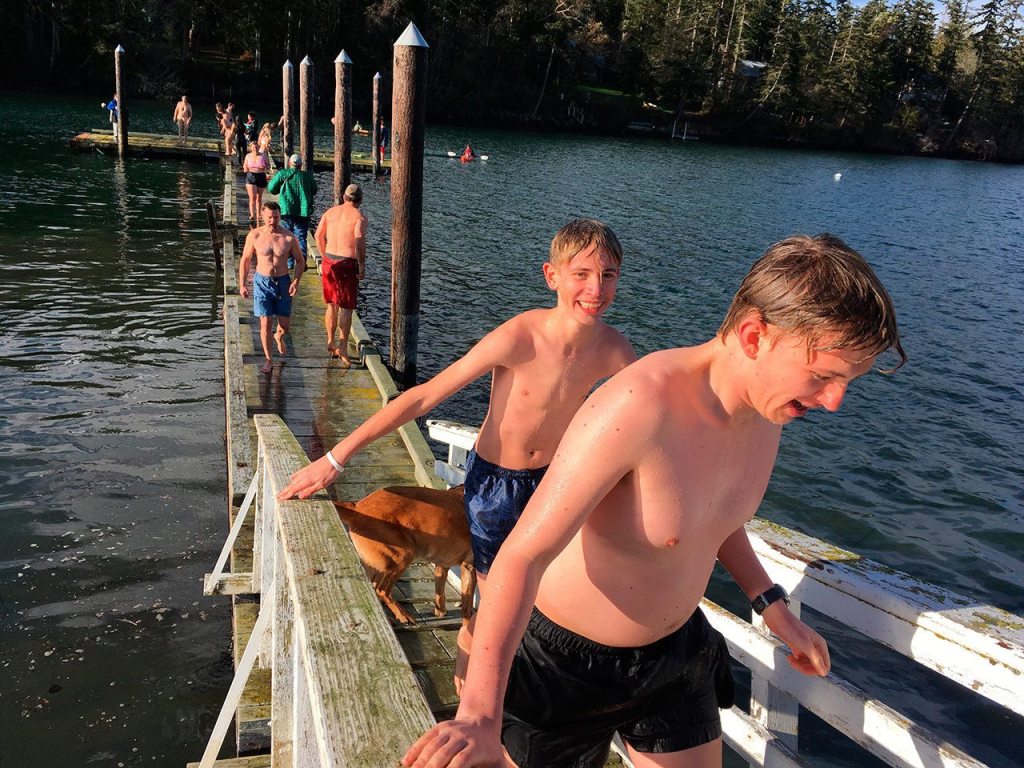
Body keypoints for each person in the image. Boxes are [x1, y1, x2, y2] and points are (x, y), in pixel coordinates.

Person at [402, 233, 906, 768]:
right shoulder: (638, 407)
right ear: (755, 336)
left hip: (673, 658)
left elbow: (711, 516)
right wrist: (480, 713)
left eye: (847, 382)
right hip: (562, 667)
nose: (833, 402)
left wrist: (770, 604)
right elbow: (521, 556)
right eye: (825, 377)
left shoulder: (768, 409)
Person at [278, 219, 637, 689]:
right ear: (552, 276)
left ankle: (513, 698)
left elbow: (644, 425)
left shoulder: (615, 351)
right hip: (496, 487)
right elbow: (423, 397)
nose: (596, 288)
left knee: (545, 602)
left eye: (608, 275)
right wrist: (334, 459)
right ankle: (470, 699)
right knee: (496, 610)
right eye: (582, 274)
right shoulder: (521, 337)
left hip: (555, 483)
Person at [238, 201, 305, 374]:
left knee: (284, 325)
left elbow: (300, 261)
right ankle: (268, 360)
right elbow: (245, 260)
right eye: (269, 217)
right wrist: (242, 284)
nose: (273, 221)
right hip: (262, 282)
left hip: (283, 282)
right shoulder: (255, 236)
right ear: (262, 216)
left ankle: (279, 336)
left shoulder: (289, 237)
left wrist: (295, 281)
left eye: (276, 217)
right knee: (265, 323)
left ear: (280, 216)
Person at [314, 183, 367, 363]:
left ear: (344, 197)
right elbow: (359, 241)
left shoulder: (330, 212)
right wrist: (362, 264)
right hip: (346, 263)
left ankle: (330, 340)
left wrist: (324, 256)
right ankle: (343, 347)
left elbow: (318, 235)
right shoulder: (359, 217)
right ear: (359, 200)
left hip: (329, 260)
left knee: (331, 305)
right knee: (346, 307)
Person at [267, 153, 318, 270]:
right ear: (301, 165)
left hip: (286, 210)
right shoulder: (307, 176)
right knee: (301, 237)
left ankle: (288, 263)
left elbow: (271, 189)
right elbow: (314, 190)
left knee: (286, 236)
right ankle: (302, 262)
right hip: (303, 211)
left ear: (290, 163)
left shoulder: (282, 174)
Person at [242, 142, 270, 222]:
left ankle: (258, 214)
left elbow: (268, 166)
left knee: (259, 197)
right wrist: (245, 168)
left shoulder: (263, 155)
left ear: (259, 147)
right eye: (254, 147)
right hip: (251, 176)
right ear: (251, 148)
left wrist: (265, 167)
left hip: (261, 176)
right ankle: (252, 214)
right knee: (252, 197)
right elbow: (244, 166)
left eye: (257, 147)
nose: (255, 149)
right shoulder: (248, 156)